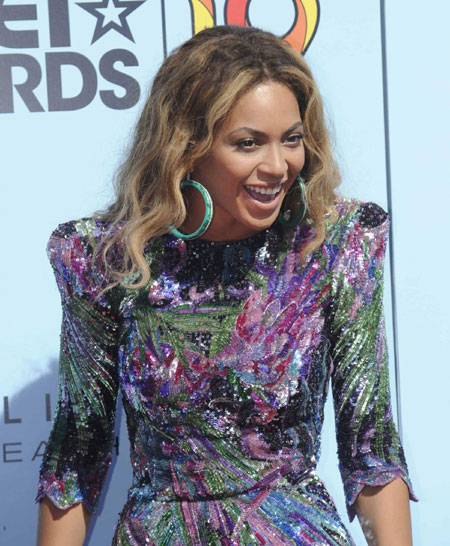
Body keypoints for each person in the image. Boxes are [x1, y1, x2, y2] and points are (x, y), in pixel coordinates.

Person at [36, 25, 416, 546]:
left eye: (292, 140)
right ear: (185, 145)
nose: (278, 167)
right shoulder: (105, 260)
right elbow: (78, 454)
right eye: (248, 143)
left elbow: (370, 446)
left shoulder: (333, 244)